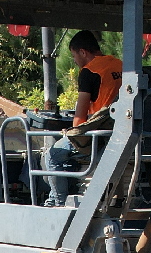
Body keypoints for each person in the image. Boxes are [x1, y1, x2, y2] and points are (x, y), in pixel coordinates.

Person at [42, 31, 124, 207]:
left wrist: (72, 135)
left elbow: (79, 117)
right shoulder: (119, 65)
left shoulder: (89, 71)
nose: (74, 60)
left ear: (83, 52)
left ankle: (59, 203)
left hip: (100, 134)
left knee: (53, 156)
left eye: (74, 55)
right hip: (120, 130)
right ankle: (54, 198)